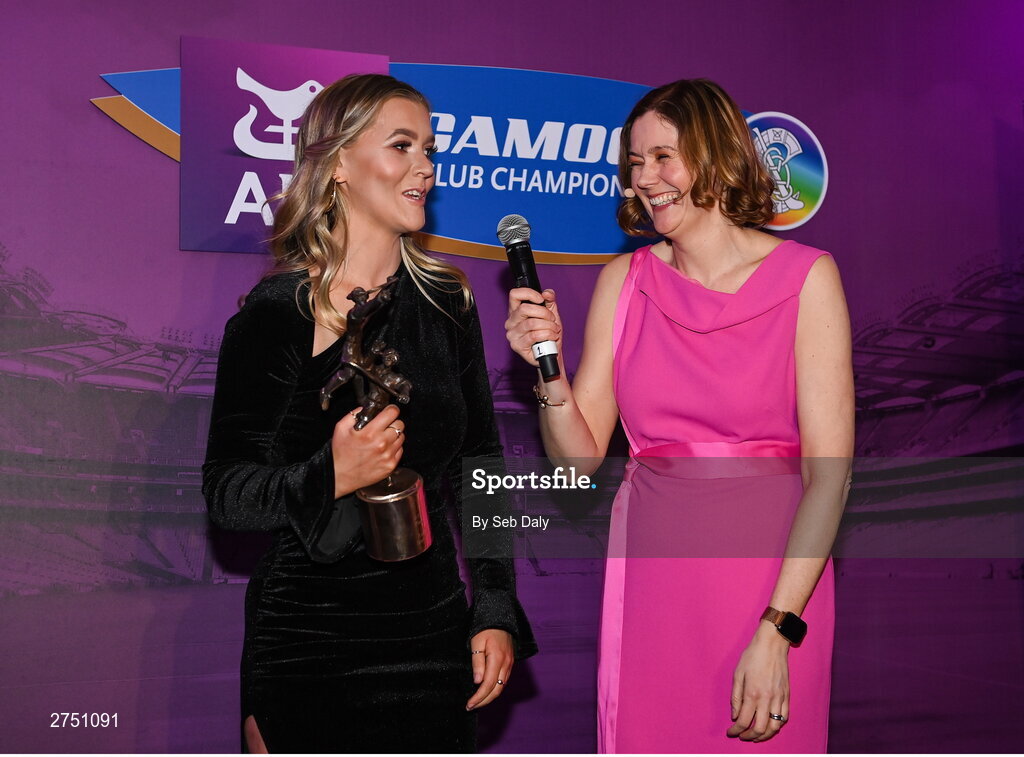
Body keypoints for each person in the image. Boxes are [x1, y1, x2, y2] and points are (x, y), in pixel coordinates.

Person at [505, 79, 852, 752]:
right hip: (655, 583)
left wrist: (778, 626)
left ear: (718, 156)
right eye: (634, 163)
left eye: (664, 157)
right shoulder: (626, 280)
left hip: (777, 587)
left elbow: (829, 477)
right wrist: (548, 377)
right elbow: (577, 459)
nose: (645, 179)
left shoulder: (809, 277)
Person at [203, 74, 536, 754]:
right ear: (339, 167)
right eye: (403, 145)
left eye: (430, 149)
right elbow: (227, 492)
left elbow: (484, 469)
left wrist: (495, 605)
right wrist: (331, 472)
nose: (426, 167)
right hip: (308, 641)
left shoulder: (449, 305)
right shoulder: (277, 314)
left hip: (433, 633)